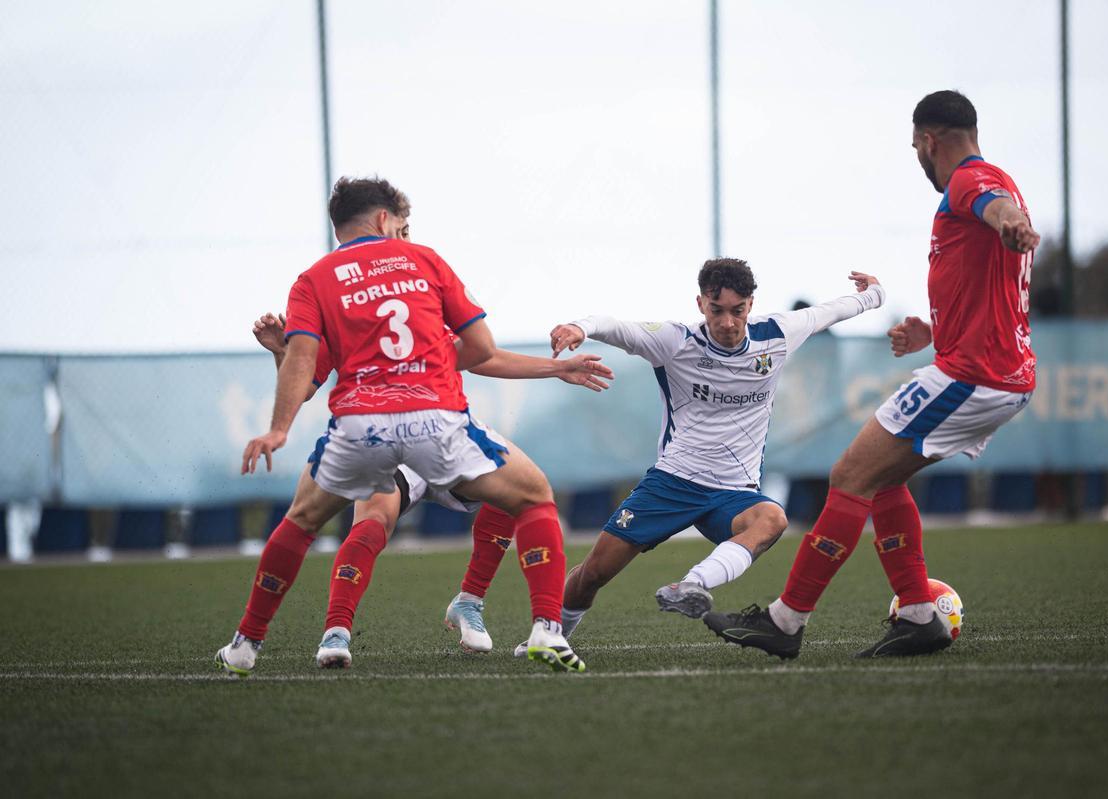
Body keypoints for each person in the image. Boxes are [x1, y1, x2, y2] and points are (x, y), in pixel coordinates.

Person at [704, 89, 1040, 659]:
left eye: (915, 148)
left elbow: (996, 207)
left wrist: (1011, 222)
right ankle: (918, 614)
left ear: (928, 141)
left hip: (973, 375)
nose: (918, 158)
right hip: (991, 370)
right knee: (880, 480)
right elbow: (993, 286)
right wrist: (934, 331)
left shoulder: (970, 180)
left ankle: (785, 621)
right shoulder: (999, 179)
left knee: (849, 476)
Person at [215, 176, 588, 676]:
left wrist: (278, 429)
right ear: (384, 219)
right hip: (434, 419)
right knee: (533, 495)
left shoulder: (313, 279)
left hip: (361, 426)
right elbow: (481, 349)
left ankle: (245, 645)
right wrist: (428, 360)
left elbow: (303, 362)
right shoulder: (424, 261)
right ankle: (546, 628)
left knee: (301, 522)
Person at [511, 258, 885, 655]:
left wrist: (874, 294)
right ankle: (549, 634)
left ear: (751, 304)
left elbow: (831, 311)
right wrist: (580, 327)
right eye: (716, 310)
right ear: (700, 303)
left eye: (737, 310)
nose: (727, 322)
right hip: (672, 484)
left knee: (772, 519)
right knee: (593, 573)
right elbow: (614, 325)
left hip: (734, 493)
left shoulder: (777, 334)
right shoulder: (674, 341)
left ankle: (692, 584)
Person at [251, 311, 611, 662]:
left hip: (442, 434)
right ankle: (336, 631)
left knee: (515, 493)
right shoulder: (344, 306)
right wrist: (282, 353)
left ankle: (470, 601)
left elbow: (482, 355)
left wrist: (558, 368)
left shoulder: (423, 295)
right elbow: (306, 384)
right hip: (383, 438)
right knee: (373, 521)